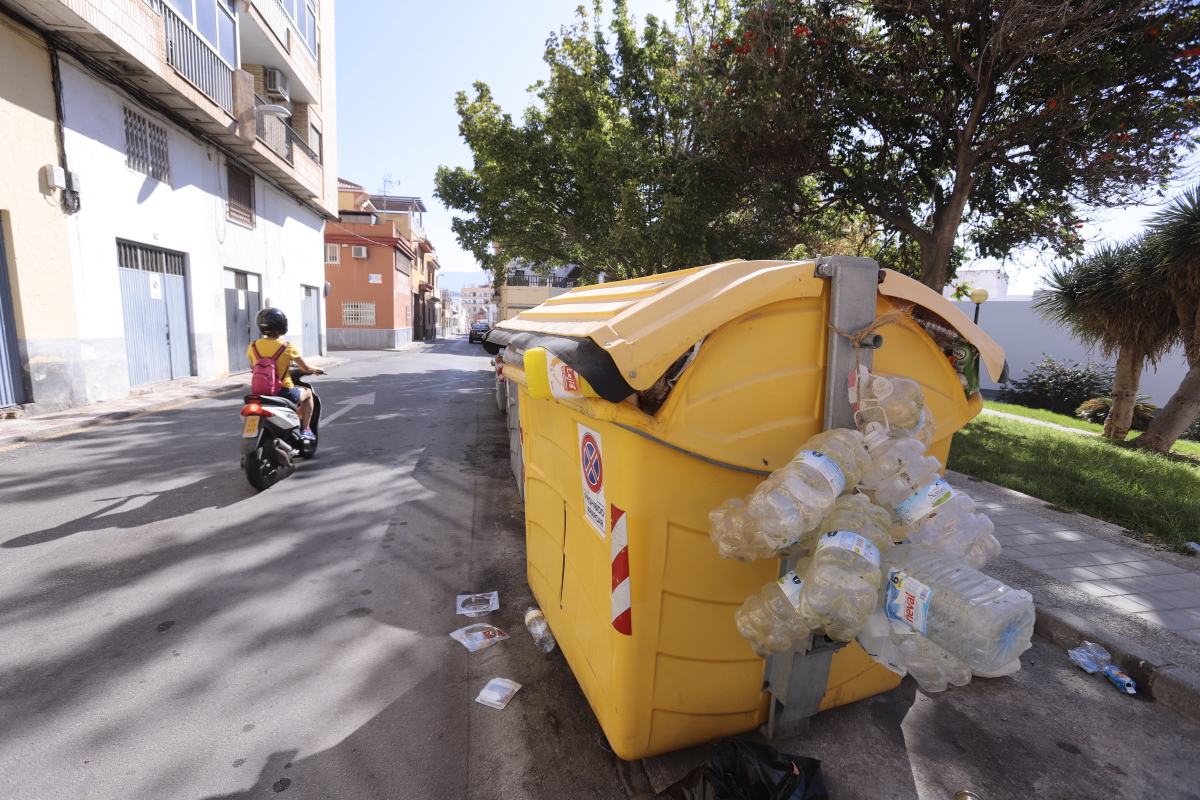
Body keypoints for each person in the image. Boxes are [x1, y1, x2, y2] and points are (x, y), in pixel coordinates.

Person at [247, 307, 323, 440]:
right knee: (308, 393)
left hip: (259, 393)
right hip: (283, 392)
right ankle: (306, 430)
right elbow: (305, 368)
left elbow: (252, 367)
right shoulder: (287, 347)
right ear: (282, 326)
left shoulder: (252, 346)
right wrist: (315, 369)